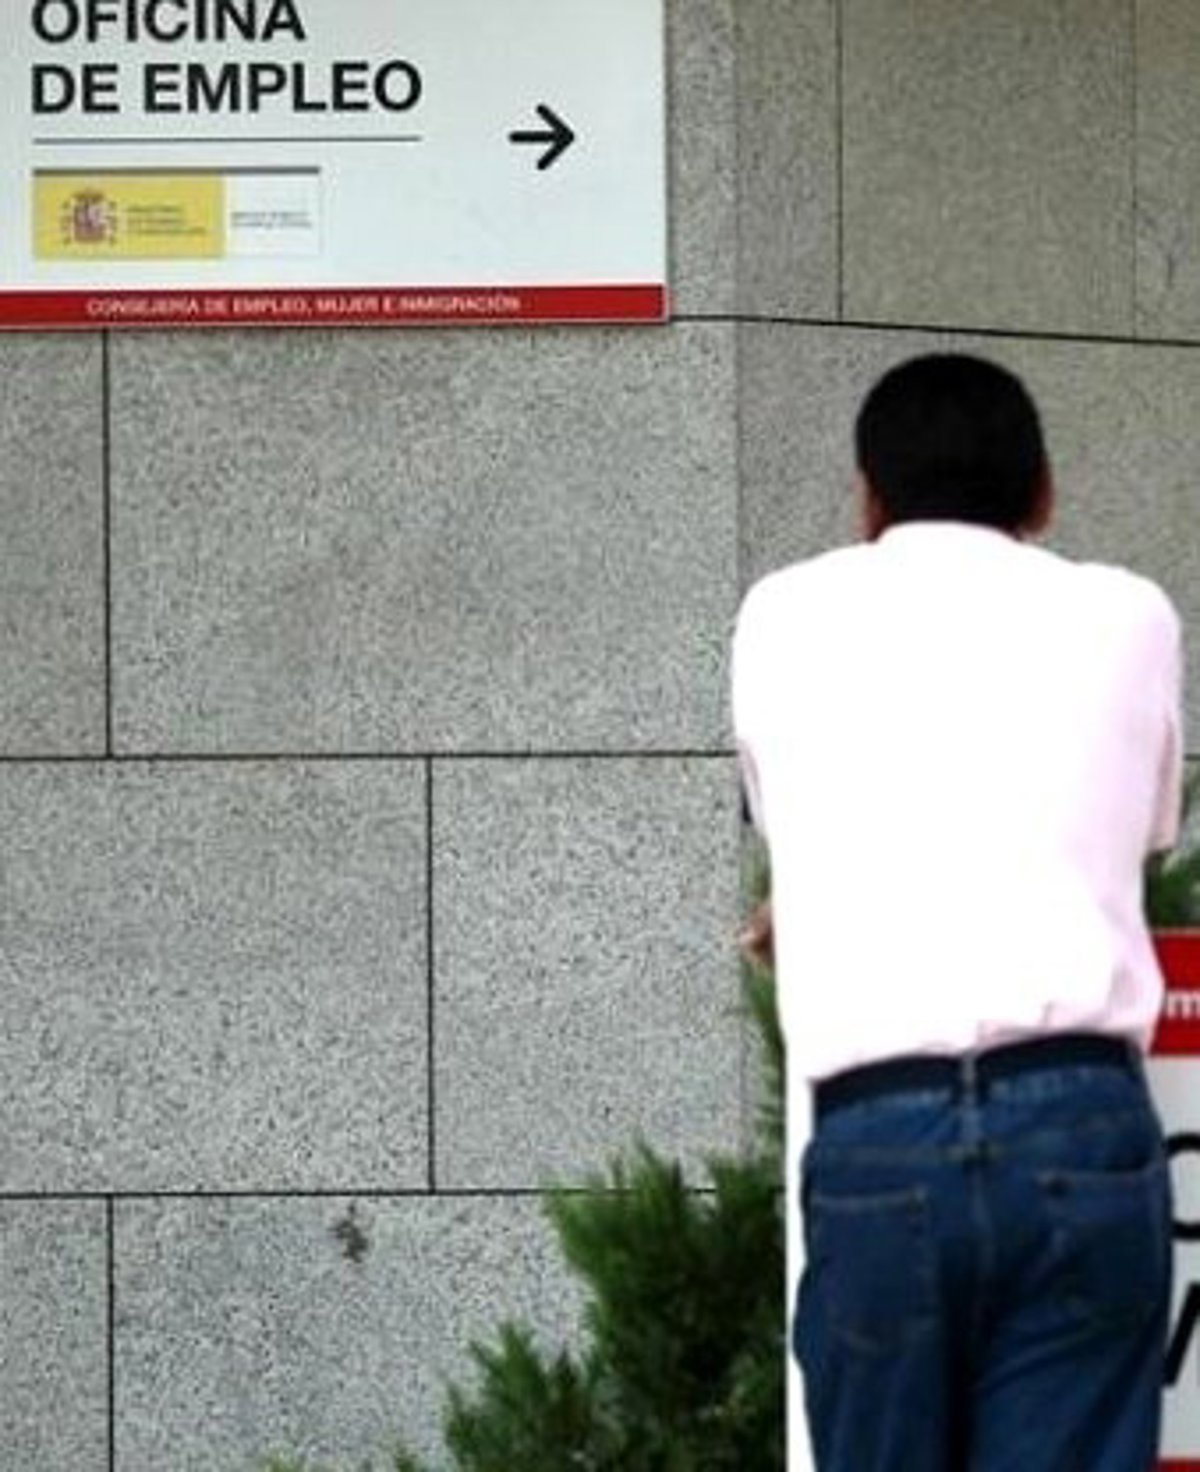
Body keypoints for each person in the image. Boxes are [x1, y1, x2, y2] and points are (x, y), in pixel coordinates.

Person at [731, 353, 1184, 1472]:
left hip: (880, 1133)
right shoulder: (1131, 615)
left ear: (868, 499)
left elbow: (794, 819)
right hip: (1078, 1119)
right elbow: (1141, 831)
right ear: (1043, 492)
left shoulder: (781, 614)